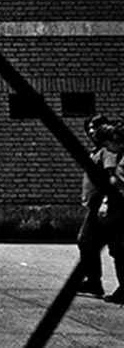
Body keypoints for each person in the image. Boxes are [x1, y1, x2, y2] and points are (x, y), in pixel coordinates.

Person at [77, 114, 122, 299]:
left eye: (95, 127)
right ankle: (94, 281)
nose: (90, 131)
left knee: (112, 244)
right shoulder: (98, 150)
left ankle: (96, 282)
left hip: (104, 205)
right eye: (88, 128)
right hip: (97, 203)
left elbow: (112, 178)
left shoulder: (107, 152)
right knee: (92, 242)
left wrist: (105, 201)